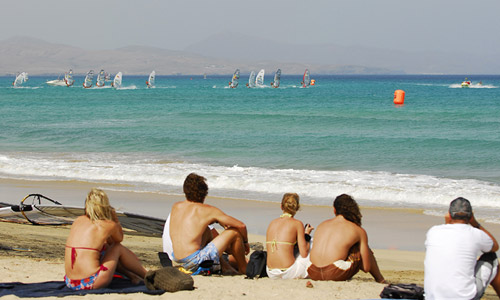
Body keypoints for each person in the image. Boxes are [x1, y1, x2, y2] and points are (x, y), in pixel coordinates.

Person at [64, 189, 147, 290]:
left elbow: (106, 244)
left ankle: (133, 276)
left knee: (106, 247)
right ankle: (147, 276)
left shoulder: (78, 220)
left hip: (70, 282)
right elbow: (118, 240)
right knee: (117, 248)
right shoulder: (108, 225)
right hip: (91, 281)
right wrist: (115, 219)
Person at [170, 173, 249, 274]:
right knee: (234, 232)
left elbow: (193, 225)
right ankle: (243, 268)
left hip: (178, 260)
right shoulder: (207, 210)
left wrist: (215, 220)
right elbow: (241, 225)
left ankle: (226, 267)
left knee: (206, 230)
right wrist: (245, 243)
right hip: (195, 261)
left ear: (185, 191)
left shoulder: (176, 206)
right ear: (204, 193)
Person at [424, 197, 500, 299]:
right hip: (465, 297)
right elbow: (494, 247)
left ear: (449, 214)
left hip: (432, 297)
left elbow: (450, 241)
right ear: (470, 215)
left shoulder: (433, 231)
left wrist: (448, 223)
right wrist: (475, 223)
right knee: (492, 258)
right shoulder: (476, 234)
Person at [307, 194, 385, 282]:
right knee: (362, 247)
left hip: (312, 271)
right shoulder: (358, 230)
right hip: (332, 273)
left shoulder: (322, 224)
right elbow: (366, 268)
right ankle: (380, 279)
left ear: (334, 209)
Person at [265, 193, 314, 279]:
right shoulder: (297, 223)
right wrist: (306, 235)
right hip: (288, 272)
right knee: (312, 242)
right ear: (297, 208)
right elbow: (304, 253)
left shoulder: (272, 223)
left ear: (281, 206)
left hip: (270, 272)